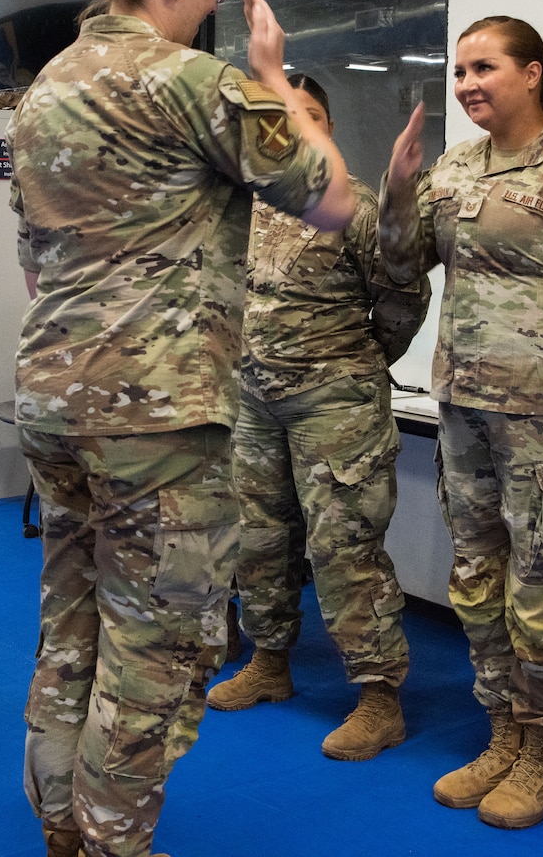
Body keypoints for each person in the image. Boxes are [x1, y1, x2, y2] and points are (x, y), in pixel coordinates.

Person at [11, 0, 356, 857]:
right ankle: (115, 842)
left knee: (72, 618)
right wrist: (274, 75)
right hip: (155, 415)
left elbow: (34, 258)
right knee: (157, 645)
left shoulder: (44, 90)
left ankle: (62, 824)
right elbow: (330, 199)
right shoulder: (195, 81)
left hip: (54, 399)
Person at [379, 16, 543, 830]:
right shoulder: (458, 167)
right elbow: (401, 261)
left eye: (484, 67)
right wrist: (396, 190)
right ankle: (503, 731)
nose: (466, 84)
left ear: (533, 72)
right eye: (459, 70)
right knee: (478, 582)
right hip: (465, 410)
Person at [207, 74, 430, 760]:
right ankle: (270, 663)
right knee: (258, 539)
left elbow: (403, 298)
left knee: (343, 550)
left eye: (308, 117)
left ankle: (378, 696)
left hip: (335, 403)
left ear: (328, 126)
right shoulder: (243, 208)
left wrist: (356, 362)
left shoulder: (356, 206)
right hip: (254, 399)